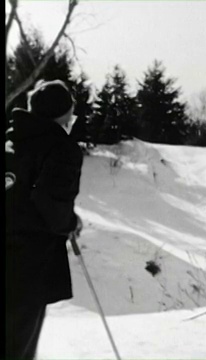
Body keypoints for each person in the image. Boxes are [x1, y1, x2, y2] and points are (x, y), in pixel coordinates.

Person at [6, 80, 84, 360]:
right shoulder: (61, 148)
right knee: (17, 345)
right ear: (63, 113)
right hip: (27, 263)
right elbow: (50, 202)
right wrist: (70, 223)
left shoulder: (11, 141)